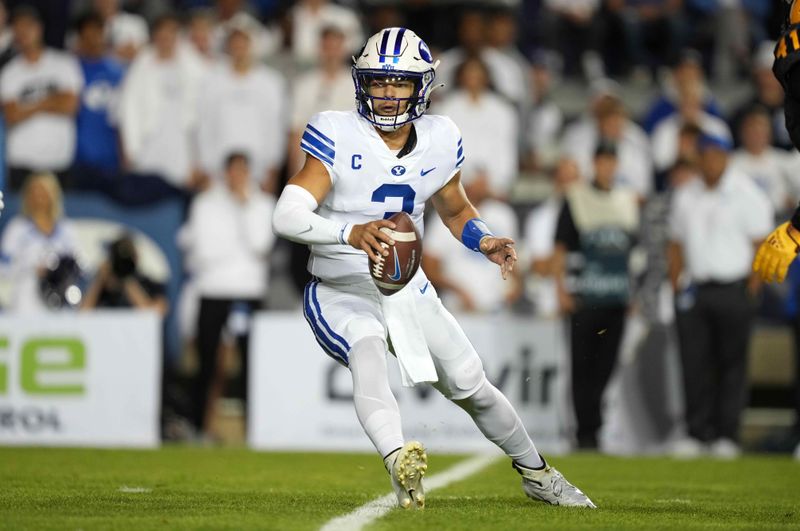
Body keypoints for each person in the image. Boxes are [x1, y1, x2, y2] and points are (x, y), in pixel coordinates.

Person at [272, 27, 595, 509]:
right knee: (367, 351)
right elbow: (286, 214)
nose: (385, 93)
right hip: (341, 287)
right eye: (378, 81)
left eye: (398, 82)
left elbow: (455, 208)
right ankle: (400, 461)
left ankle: (537, 472)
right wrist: (351, 234)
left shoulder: (441, 138)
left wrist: (483, 238)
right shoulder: (337, 132)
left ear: (421, 86)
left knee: (473, 387)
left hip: (407, 288)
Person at [669, 134, 772, 458]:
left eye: (716, 155)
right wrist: (677, 283)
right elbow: (675, 244)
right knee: (694, 363)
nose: (710, 161)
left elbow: (762, 244)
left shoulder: (747, 193)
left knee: (732, 363)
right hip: (696, 290)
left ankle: (727, 434)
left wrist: (752, 288)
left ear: (726, 158)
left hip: (734, 288)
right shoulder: (685, 194)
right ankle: (696, 433)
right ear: (698, 158)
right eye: (705, 155)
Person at [179, 152, 275, 439]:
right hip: (212, 291)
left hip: (248, 293)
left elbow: (261, 245)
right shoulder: (205, 203)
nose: (237, 177)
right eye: (233, 171)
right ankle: (198, 427)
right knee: (206, 362)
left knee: (252, 364)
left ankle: (253, 429)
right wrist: (236, 251)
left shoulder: (264, 205)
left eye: (242, 171)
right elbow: (203, 252)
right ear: (225, 173)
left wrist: (243, 208)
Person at [553, 140, 639, 450]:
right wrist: (560, 290)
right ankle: (585, 433)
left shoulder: (627, 199)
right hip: (584, 297)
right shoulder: (576, 197)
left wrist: (634, 292)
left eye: (611, 161)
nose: (606, 167)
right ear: (595, 163)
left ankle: (594, 427)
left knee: (605, 368)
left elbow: (634, 251)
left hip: (616, 298)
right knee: (582, 367)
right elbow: (560, 247)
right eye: (602, 161)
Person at [0, 6, 83, 191]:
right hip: (22, 164)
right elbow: (12, 115)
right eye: (18, 28)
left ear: (39, 28)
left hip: (59, 163)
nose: (23, 33)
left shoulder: (64, 63)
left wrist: (27, 106)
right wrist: (51, 100)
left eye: (28, 26)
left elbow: (70, 106)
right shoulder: (9, 72)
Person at [0, 172, 80, 314]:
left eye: (43, 192)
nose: (39, 197)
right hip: (26, 298)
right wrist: (31, 267)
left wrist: (57, 271)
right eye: (34, 192)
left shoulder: (67, 230)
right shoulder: (17, 228)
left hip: (60, 297)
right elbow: (3, 268)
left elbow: (76, 265)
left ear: (53, 195)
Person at [81, 233, 168, 314]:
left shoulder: (150, 285)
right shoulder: (102, 288)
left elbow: (155, 313)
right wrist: (99, 280)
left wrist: (127, 279)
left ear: (136, 257)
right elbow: (82, 315)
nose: (123, 264)